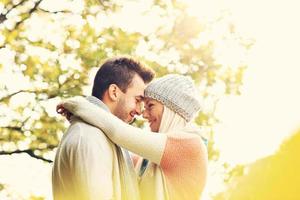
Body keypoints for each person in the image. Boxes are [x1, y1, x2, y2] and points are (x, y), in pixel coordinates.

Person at [59, 74, 208, 200]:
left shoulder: (190, 145)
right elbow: (115, 154)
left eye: (150, 106)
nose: (143, 114)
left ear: (171, 109)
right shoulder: (146, 161)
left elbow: (118, 132)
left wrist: (78, 105)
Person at [52, 57, 155, 200]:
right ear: (114, 92)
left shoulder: (102, 137)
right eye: (137, 100)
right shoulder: (89, 136)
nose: (139, 111)